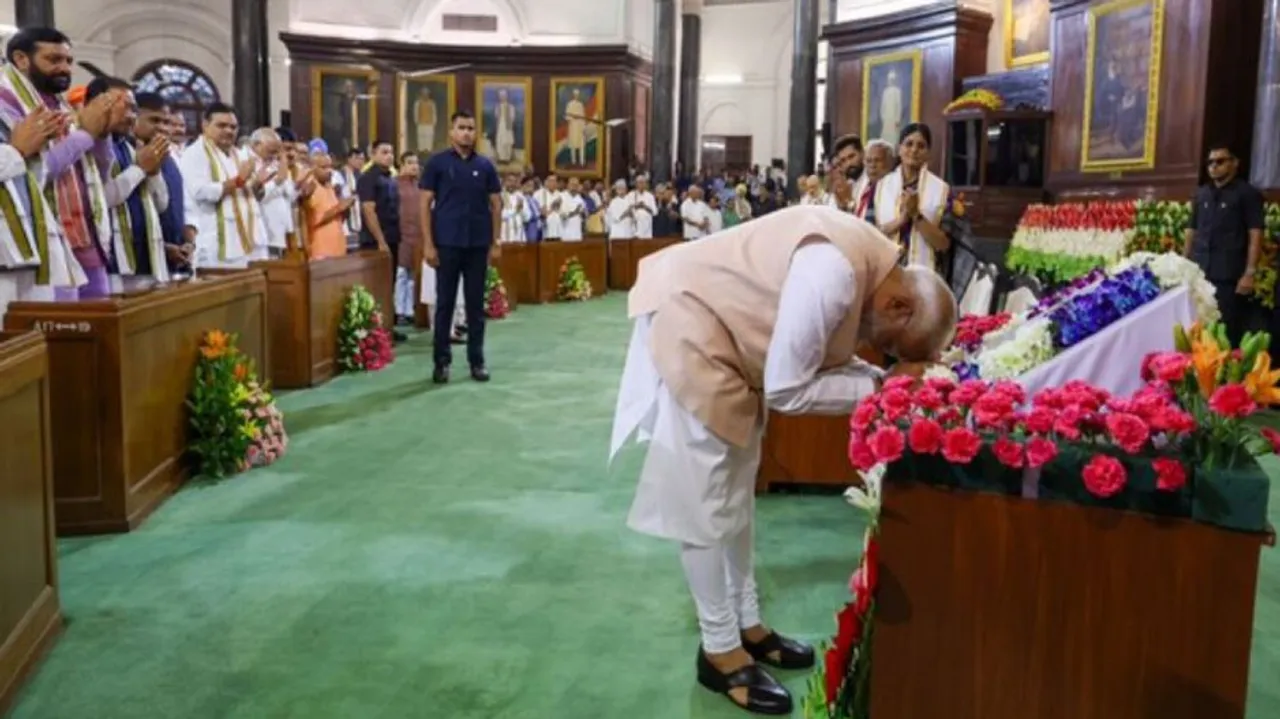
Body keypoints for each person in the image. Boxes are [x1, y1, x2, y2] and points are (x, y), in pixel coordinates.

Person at [610, 204, 957, 715]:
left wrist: (880, 379)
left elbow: (823, 359)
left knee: (737, 492)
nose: (870, 346)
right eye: (887, 344)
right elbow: (789, 388)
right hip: (691, 323)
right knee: (705, 504)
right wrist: (881, 386)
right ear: (900, 307)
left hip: (729, 340)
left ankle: (748, 624)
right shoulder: (835, 273)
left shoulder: (867, 262)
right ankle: (719, 651)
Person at [420, 110, 501, 384]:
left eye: (471, 128)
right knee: (445, 305)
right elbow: (424, 204)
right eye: (461, 127)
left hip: (478, 245)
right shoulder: (437, 164)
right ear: (451, 132)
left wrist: (496, 241)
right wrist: (428, 245)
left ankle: (476, 361)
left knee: (476, 307)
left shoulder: (486, 166)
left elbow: (496, 205)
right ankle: (441, 362)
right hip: (447, 244)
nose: (466, 132)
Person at [873, 123, 955, 272]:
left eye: (921, 146)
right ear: (899, 149)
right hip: (887, 270)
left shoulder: (941, 190)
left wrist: (916, 215)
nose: (914, 150)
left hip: (925, 274)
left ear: (928, 153)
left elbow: (944, 245)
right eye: (909, 144)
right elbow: (871, 234)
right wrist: (901, 220)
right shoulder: (881, 187)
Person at [356, 139, 408, 343]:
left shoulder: (391, 177)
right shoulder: (368, 178)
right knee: (377, 286)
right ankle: (376, 331)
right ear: (373, 154)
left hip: (393, 237)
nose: (389, 156)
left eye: (391, 152)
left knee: (390, 285)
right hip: (375, 241)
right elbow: (369, 210)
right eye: (384, 152)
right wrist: (380, 240)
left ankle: (388, 327)